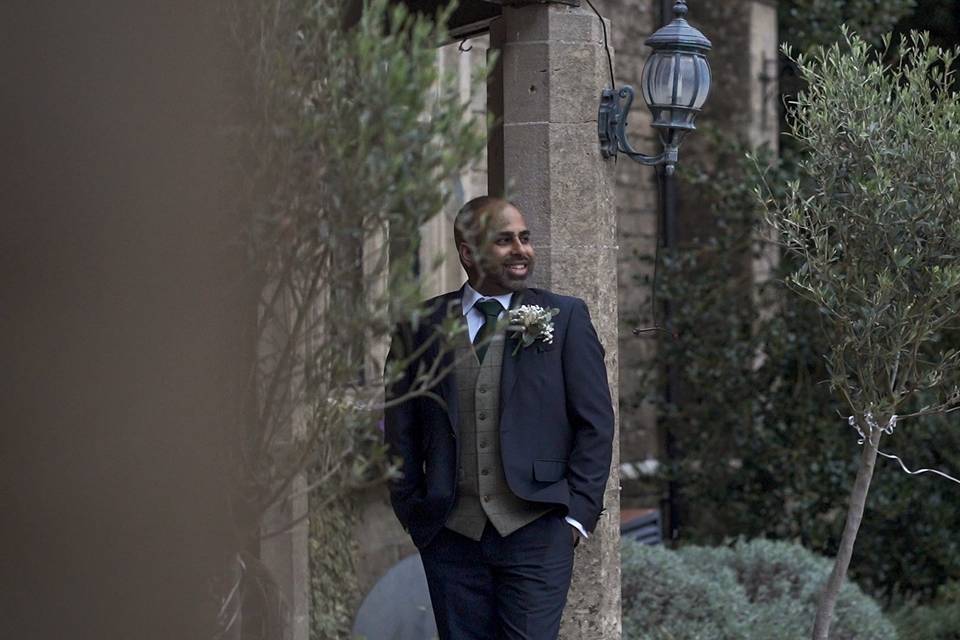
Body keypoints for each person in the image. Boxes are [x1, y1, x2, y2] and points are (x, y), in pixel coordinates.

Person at [384, 196, 614, 640]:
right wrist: (416, 514)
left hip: (537, 530)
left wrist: (575, 519)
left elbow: (595, 425)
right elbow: (400, 431)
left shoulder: (564, 318)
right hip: (450, 535)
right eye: (504, 241)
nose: (521, 250)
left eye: (525, 239)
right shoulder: (421, 326)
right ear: (468, 252)